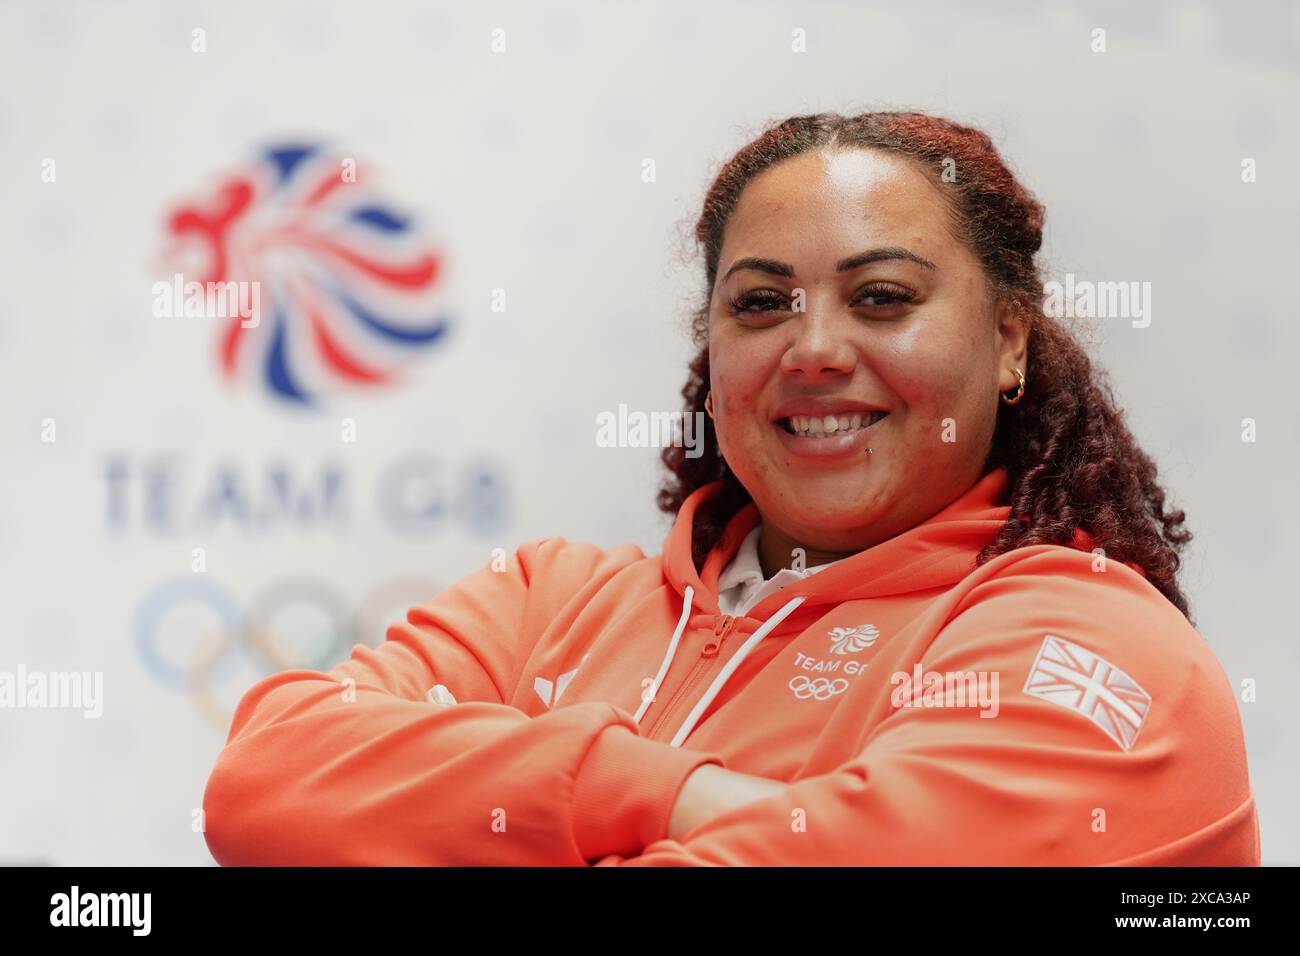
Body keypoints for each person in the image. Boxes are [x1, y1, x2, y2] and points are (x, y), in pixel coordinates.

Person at [201, 111, 1260, 866]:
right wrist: (674, 790)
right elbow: (265, 779)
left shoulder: (1088, 646)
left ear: (1009, 338)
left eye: (881, 295)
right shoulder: (547, 597)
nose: (811, 349)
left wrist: (471, 802)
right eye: (760, 303)